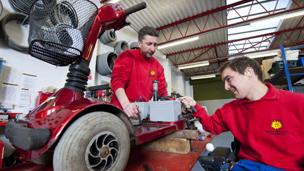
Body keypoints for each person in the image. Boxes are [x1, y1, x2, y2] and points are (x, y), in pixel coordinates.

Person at [180, 57, 304, 171]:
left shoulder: (298, 103)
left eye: (228, 79)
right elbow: (210, 125)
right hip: (246, 166)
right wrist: (195, 106)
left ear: (248, 72)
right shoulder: (231, 110)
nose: (226, 87)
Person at [111, 26, 168, 118]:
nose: (153, 49)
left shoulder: (158, 67)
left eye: (155, 45)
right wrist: (126, 105)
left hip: (141, 113)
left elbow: (163, 93)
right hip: (120, 111)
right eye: (149, 44)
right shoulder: (127, 56)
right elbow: (117, 82)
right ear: (140, 43)